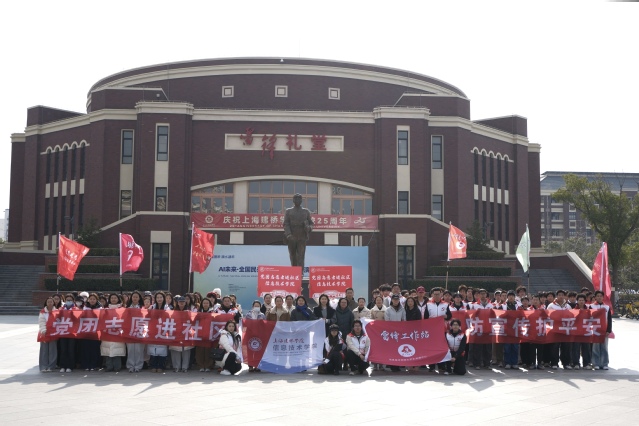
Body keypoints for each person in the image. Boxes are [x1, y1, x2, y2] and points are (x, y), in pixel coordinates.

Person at [283, 193, 313, 272]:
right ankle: (294, 272)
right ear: (293, 200)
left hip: (302, 236)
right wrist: (288, 234)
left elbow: (311, 223)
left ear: (301, 201)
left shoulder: (306, 211)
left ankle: (300, 272)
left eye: (299, 199)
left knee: (301, 256)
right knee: (292, 255)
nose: (297, 200)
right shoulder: (288, 211)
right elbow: (286, 223)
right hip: (291, 236)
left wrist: (309, 228)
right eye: (295, 199)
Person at [101, 294, 127, 372]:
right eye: (112, 298)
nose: (113, 299)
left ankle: (117, 367)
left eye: (115, 298)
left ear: (118, 299)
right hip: (107, 332)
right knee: (108, 351)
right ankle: (109, 366)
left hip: (118, 332)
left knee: (117, 351)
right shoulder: (105, 310)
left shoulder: (122, 309)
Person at [547, 289, 571, 370]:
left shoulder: (568, 306)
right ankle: (554, 363)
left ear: (564, 296)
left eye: (562, 295)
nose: (561, 296)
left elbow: (572, 316)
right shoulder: (551, 306)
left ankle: (566, 363)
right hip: (555, 329)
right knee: (555, 347)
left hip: (565, 329)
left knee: (566, 347)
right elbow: (548, 317)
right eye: (559, 295)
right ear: (556, 296)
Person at [169, 296, 194, 372]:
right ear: (177, 303)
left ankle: (185, 367)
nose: (181, 303)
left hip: (186, 332)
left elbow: (192, 322)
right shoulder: (174, 312)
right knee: (175, 350)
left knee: (186, 351)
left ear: (185, 303)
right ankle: (176, 367)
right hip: (176, 332)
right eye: (180, 302)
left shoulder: (189, 312)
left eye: (183, 302)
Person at [470, 289, 493, 370]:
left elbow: (494, 317)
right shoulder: (474, 305)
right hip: (478, 329)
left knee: (488, 348)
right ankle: (477, 364)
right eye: (481, 294)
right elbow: (471, 316)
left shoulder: (491, 305)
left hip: (488, 329)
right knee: (477, 348)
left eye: (484, 294)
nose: (483, 295)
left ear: (486, 295)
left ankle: (487, 363)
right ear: (478, 295)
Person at [80, 293, 102, 371]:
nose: (92, 300)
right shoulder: (84, 308)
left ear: (97, 300)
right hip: (86, 331)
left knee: (94, 349)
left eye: (94, 299)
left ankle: (94, 364)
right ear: (88, 300)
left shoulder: (100, 308)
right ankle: (86, 364)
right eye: (91, 299)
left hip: (95, 332)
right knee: (86, 349)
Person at [148, 292, 169, 372]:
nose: (159, 299)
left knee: (162, 349)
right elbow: (147, 317)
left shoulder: (167, 308)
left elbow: (169, 318)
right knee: (153, 349)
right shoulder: (152, 307)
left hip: (163, 330)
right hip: (154, 330)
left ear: (163, 298)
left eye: (161, 297)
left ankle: (160, 366)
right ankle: (153, 365)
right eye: (157, 297)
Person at [591, 290, 612, 370]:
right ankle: (595, 363)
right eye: (598, 296)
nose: (599, 297)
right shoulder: (591, 307)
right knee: (595, 347)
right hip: (595, 330)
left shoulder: (607, 307)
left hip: (604, 330)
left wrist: (608, 330)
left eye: (601, 296)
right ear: (595, 297)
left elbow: (609, 319)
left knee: (604, 347)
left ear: (603, 297)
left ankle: (604, 363)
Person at [58, 293, 80, 373]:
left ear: (73, 301)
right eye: (67, 300)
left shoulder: (76, 309)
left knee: (71, 350)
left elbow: (78, 320)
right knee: (63, 350)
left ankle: (70, 366)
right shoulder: (61, 309)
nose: (69, 301)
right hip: (63, 332)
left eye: (70, 300)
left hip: (72, 333)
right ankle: (62, 366)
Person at [571, 294, 593, 370]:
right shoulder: (573, 310)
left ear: (585, 301)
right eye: (580, 300)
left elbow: (592, 319)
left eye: (582, 300)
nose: (581, 302)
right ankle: (576, 363)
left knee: (586, 348)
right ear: (577, 301)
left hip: (586, 331)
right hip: (576, 332)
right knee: (576, 348)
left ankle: (586, 363)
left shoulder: (588, 310)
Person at [384, 294, 405, 372]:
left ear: (399, 300)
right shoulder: (388, 310)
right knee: (392, 349)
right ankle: (392, 364)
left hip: (400, 332)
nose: (396, 301)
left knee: (399, 348)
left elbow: (404, 320)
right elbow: (387, 321)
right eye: (394, 299)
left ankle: (398, 364)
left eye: (397, 299)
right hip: (391, 332)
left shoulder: (402, 309)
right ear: (392, 300)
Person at [195, 298, 215, 372]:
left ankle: (208, 366)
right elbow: (194, 321)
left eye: (207, 303)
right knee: (200, 351)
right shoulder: (198, 312)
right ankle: (200, 365)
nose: (205, 304)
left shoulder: (213, 312)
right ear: (202, 304)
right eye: (204, 303)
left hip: (209, 334)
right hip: (199, 333)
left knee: (208, 350)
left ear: (209, 304)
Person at [38, 297, 57, 372]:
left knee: (53, 350)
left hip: (53, 333)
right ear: (46, 303)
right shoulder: (43, 312)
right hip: (44, 333)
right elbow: (41, 321)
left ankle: (51, 366)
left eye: (51, 302)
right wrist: (43, 330)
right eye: (48, 302)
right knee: (44, 350)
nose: (50, 303)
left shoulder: (57, 311)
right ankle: (43, 366)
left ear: (53, 303)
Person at [503, 290, 519, 369]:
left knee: (515, 347)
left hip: (516, 329)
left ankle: (514, 362)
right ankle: (507, 363)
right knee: (507, 347)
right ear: (507, 297)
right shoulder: (503, 305)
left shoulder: (518, 305)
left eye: (512, 296)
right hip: (507, 329)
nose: (511, 297)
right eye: (509, 296)